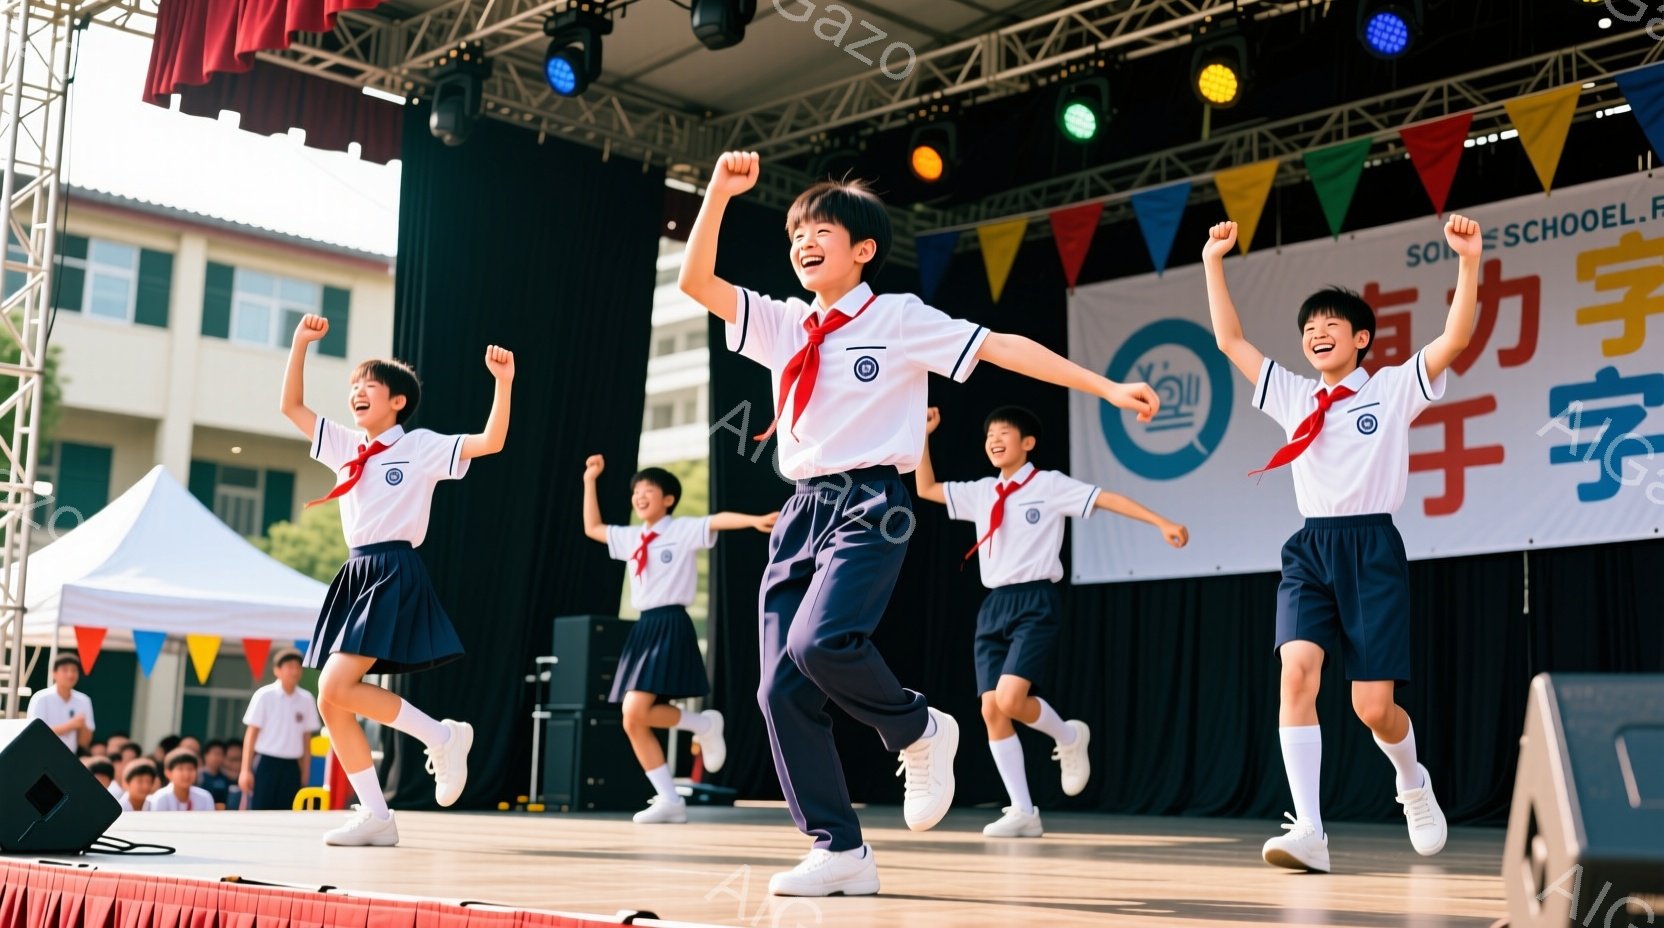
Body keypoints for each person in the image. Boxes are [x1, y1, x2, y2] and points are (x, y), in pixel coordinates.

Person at [677, 150, 1160, 896]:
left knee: (820, 641)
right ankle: (840, 850)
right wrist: (716, 193)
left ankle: (918, 727)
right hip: (803, 508)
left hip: (872, 501)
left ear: (863, 250)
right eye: (795, 234)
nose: (803, 243)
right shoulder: (782, 324)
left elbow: (1003, 347)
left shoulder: (897, 317)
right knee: (779, 693)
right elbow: (695, 281)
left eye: (822, 232)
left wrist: (1104, 385)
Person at [1200, 215, 1482, 872]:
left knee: (1372, 708)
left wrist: (1468, 261)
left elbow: (1456, 337)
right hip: (1310, 551)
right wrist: (1214, 261)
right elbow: (1230, 339)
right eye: (1308, 328)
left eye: (1331, 325)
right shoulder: (1294, 394)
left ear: (1361, 339)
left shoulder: (1389, 390)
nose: (1316, 333)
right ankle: (1310, 833)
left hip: (1372, 550)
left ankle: (1412, 781)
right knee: (1295, 672)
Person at [281, 312, 514, 846]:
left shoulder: (422, 445)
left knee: (336, 686)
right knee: (329, 700)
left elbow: (491, 441)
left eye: (371, 386)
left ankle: (442, 735)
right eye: (354, 387)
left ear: (398, 402)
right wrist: (300, 344)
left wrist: (503, 384)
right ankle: (378, 816)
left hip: (392, 567)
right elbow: (291, 407)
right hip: (355, 568)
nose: (358, 393)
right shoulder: (344, 445)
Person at [915, 405, 1188, 838]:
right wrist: (922, 434)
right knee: (991, 709)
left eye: (1004, 432)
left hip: (1035, 600)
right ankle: (1024, 810)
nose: (994, 440)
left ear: (1028, 443)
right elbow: (926, 487)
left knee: (1008, 698)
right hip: (994, 604)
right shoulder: (984, 491)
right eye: (989, 435)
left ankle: (1068, 735)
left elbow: (1105, 498)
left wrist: (1161, 521)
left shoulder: (1049, 485)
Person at [582, 455, 776, 824]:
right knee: (634, 718)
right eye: (636, 492)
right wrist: (590, 480)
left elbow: (716, 520)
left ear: (668, 498)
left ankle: (696, 741)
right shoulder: (631, 537)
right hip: (643, 626)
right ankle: (679, 778)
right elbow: (593, 527)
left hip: (671, 622)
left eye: (648, 491)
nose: (640, 497)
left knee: (633, 712)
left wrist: (752, 521)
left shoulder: (679, 529)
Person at [240, 649, 322, 812]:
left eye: (298, 667)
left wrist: (305, 771)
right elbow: (251, 734)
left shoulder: (306, 699)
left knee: (287, 810)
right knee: (260, 810)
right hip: (266, 763)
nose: (294, 671)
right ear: (277, 670)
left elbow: (307, 739)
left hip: (292, 766)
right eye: (289, 666)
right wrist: (245, 770)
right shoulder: (264, 695)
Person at [26, 654, 94, 753]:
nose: (70, 674)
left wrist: (82, 726)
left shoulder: (84, 700)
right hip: (41, 755)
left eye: (74, 670)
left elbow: (84, 743)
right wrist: (71, 725)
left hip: (70, 758)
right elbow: (35, 734)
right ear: (54, 673)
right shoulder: (41, 698)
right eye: (65, 670)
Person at [146, 750, 214, 811]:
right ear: (168, 773)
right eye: (180, 769)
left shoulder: (205, 797)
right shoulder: (160, 798)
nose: (186, 774)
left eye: (190, 769)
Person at [198, 740, 232, 808]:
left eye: (221, 754)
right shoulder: (198, 776)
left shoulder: (226, 777)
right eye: (215, 754)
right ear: (206, 755)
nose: (217, 758)